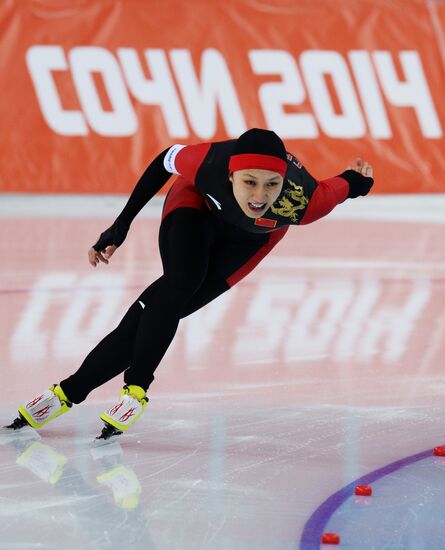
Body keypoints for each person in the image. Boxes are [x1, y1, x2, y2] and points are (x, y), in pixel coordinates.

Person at [4, 128, 374, 441]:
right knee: (181, 282)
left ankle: (67, 392)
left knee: (165, 308)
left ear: (284, 182)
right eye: (249, 182)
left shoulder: (305, 201)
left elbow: (345, 185)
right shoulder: (207, 162)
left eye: (271, 184)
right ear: (231, 175)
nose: (260, 197)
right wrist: (122, 224)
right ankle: (136, 389)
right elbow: (164, 159)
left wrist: (359, 181)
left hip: (250, 241)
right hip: (195, 206)